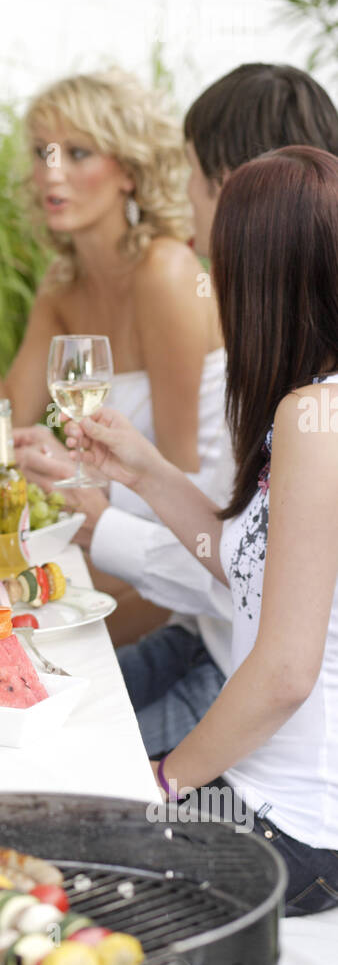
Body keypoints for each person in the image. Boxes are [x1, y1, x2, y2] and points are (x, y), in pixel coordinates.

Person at [20, 65, 338, 757]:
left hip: (244, 684)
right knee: (27, 709)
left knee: (50, 754)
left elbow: (259, 620)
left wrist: (101, 524)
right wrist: (139, 474)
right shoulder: (281, 349)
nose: (186, 200)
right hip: (207, 638)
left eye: (194, 174)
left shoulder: (311, 410)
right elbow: (241, 550)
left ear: (242, 184)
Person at [64, 143, 338, 917]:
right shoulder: (313, 407)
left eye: (219, 264)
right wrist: (144, 468)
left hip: (291, 827)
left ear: (265, 279)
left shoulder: (314, 420)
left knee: (51, 870)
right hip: (271, 802)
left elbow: (285, 675)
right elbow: (243, 564)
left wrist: (165, 783)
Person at [0, 68, 223, 644]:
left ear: (127, 170)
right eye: (41, 153)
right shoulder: (62, 283)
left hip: (189, 574)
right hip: (122, 537)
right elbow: (5, 429)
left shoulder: (167, 272)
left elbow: (182, 472)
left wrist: (84, 480)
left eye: (78, 153)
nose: (51, 174)